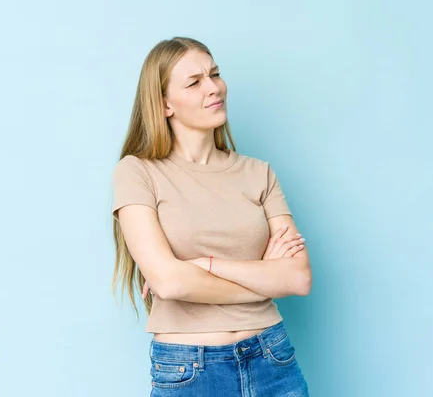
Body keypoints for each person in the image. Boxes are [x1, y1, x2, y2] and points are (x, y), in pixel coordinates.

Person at [111, 36, 312, 397]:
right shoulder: (137, 172)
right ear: (164, 104)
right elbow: (170, 284)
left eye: (214, 74)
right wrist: (263, 280)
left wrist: (205, 264)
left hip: (273, 358)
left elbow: (297, 278)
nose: (214, 88)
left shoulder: (258, 173)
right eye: (195, 82)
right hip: (189, 368)